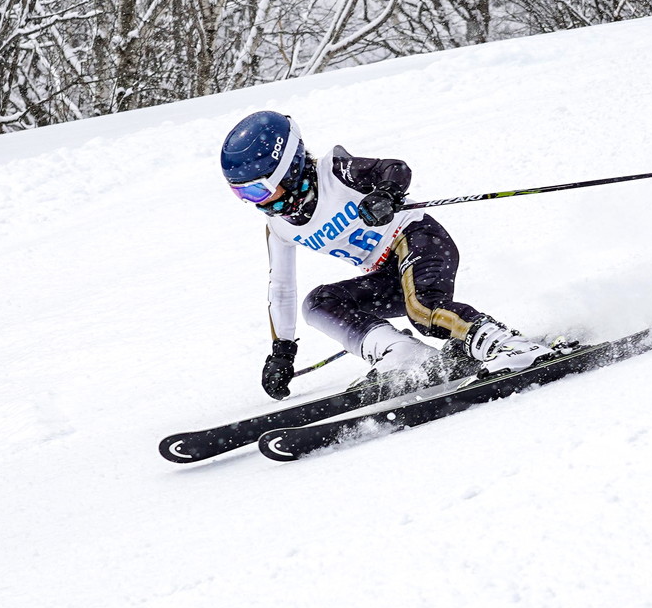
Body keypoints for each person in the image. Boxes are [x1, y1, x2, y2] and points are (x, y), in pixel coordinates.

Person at [219, 110, 558, 400]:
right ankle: (404, 356)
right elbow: (281, 289)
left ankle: (508, 346)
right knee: (318, 303)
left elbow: (395, 169)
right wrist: (282, 352)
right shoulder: (279, 228)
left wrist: (385, 194)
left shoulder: (334, 172)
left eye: (256, 189)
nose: (254, 201)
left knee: (423, 309)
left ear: (288, 168)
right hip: (386, 274)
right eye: (241, 194)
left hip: (417, 239)